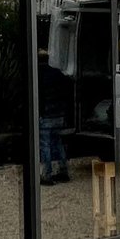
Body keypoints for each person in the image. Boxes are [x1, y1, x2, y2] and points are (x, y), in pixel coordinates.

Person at [37, 45, 72, 185]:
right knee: (58, 143)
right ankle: (63, 171)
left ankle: (47, 174)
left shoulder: (37, 75)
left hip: (46, 114)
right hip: (59, 114)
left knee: (45, 145)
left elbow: (38, 96)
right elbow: (67, 90)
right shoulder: (57, 73)